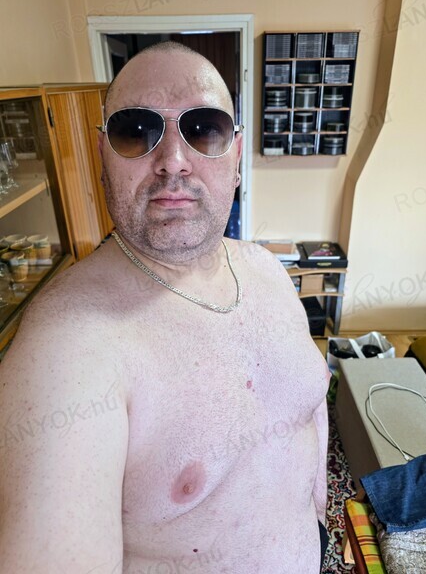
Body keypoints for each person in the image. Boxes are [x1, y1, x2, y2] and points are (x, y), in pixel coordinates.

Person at [0, 42, 330, 573]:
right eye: (136, 130)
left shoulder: (267, 270)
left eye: (204, 129)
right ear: (102, 157)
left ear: (236, 157)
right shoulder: (65, 353)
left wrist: (316, 508)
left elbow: (308, 407)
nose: (173, 159)